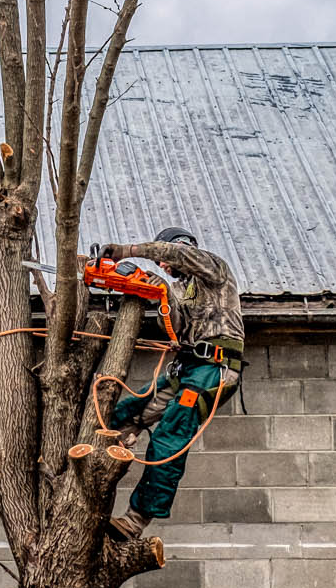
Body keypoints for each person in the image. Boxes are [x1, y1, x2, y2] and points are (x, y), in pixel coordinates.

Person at [94, 226, 245, 539]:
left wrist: (127, 251)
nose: (162, 265)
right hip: (186, 368)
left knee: (170, 433)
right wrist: (158, 290)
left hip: (214, 368)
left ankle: (135, 521)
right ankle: (95, 460)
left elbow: (176, 255)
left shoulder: (213, 269)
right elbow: (175, 327)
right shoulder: (180, 289)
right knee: (128, 411)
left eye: (162, 260)